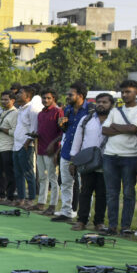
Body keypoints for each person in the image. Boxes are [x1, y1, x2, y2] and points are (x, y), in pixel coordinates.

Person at [99, 80, 137, 236]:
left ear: (136, 93)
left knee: (128, 192)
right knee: (112, 193)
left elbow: (134, 128)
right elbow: (105, 130)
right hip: (110, 155)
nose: (125, 95)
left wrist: (117, 127)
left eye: (128, 92)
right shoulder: (115, 111)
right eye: (123, 92)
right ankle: (112, 226)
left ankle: (125, 226)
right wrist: (125, 129)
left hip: (130, 156)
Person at [69, 93, 112, 230]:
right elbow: (77, 139)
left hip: (107, 162)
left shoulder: (114, 120)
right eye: (99, 102)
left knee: (102, 193)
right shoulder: (86, 119)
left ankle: (99, 222)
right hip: (87, 162)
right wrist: (73, 160)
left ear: (111, 104)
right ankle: (81, 220)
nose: (101, 104)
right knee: (85, 191)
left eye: (105, 102)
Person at [54, 82, 90, 222]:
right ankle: (66, 211)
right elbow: (67, 131)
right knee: (66, 182)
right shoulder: (68, 109)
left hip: (83, 152)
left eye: (70, 94)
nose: (67, 96)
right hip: (67, 150)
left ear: (80, 96)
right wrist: (62, 125)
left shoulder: (89, 110)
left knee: (84, 185)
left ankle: (84, 215)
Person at [33, 88, 64, 213]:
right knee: (41, 177)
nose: (45, 100)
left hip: (52, 150)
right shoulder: (41, 113)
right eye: (44, 98)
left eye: (48, 98)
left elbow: (62, 132)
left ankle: (52, 205)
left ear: (54, 99)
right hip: (40, 148)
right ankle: (41, 202)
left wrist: (54, 145)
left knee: (52, 177)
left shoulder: (58, 112)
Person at [13, 84, 42, 208]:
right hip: (16, 145)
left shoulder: (32, 109)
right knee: (18, 173)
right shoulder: (21, 108)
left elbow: (35, 128)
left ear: (28, 96)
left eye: (21, 93)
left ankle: (31, 199)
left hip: (26, 145)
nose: (18, 95)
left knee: (29, 173)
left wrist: (27, 143)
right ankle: (21, 198)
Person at [0, 91, 18, 204]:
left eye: (6, 99)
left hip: (9, 147)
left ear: (13, 100)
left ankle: (10, 197)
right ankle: (1, 195)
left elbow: (14, 132)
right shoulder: (3, 112)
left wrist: (0, 128)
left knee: (9, 173)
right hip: (0, 146)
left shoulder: (15, 113)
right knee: (0, 173)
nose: (3, 101)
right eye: (2, 99)